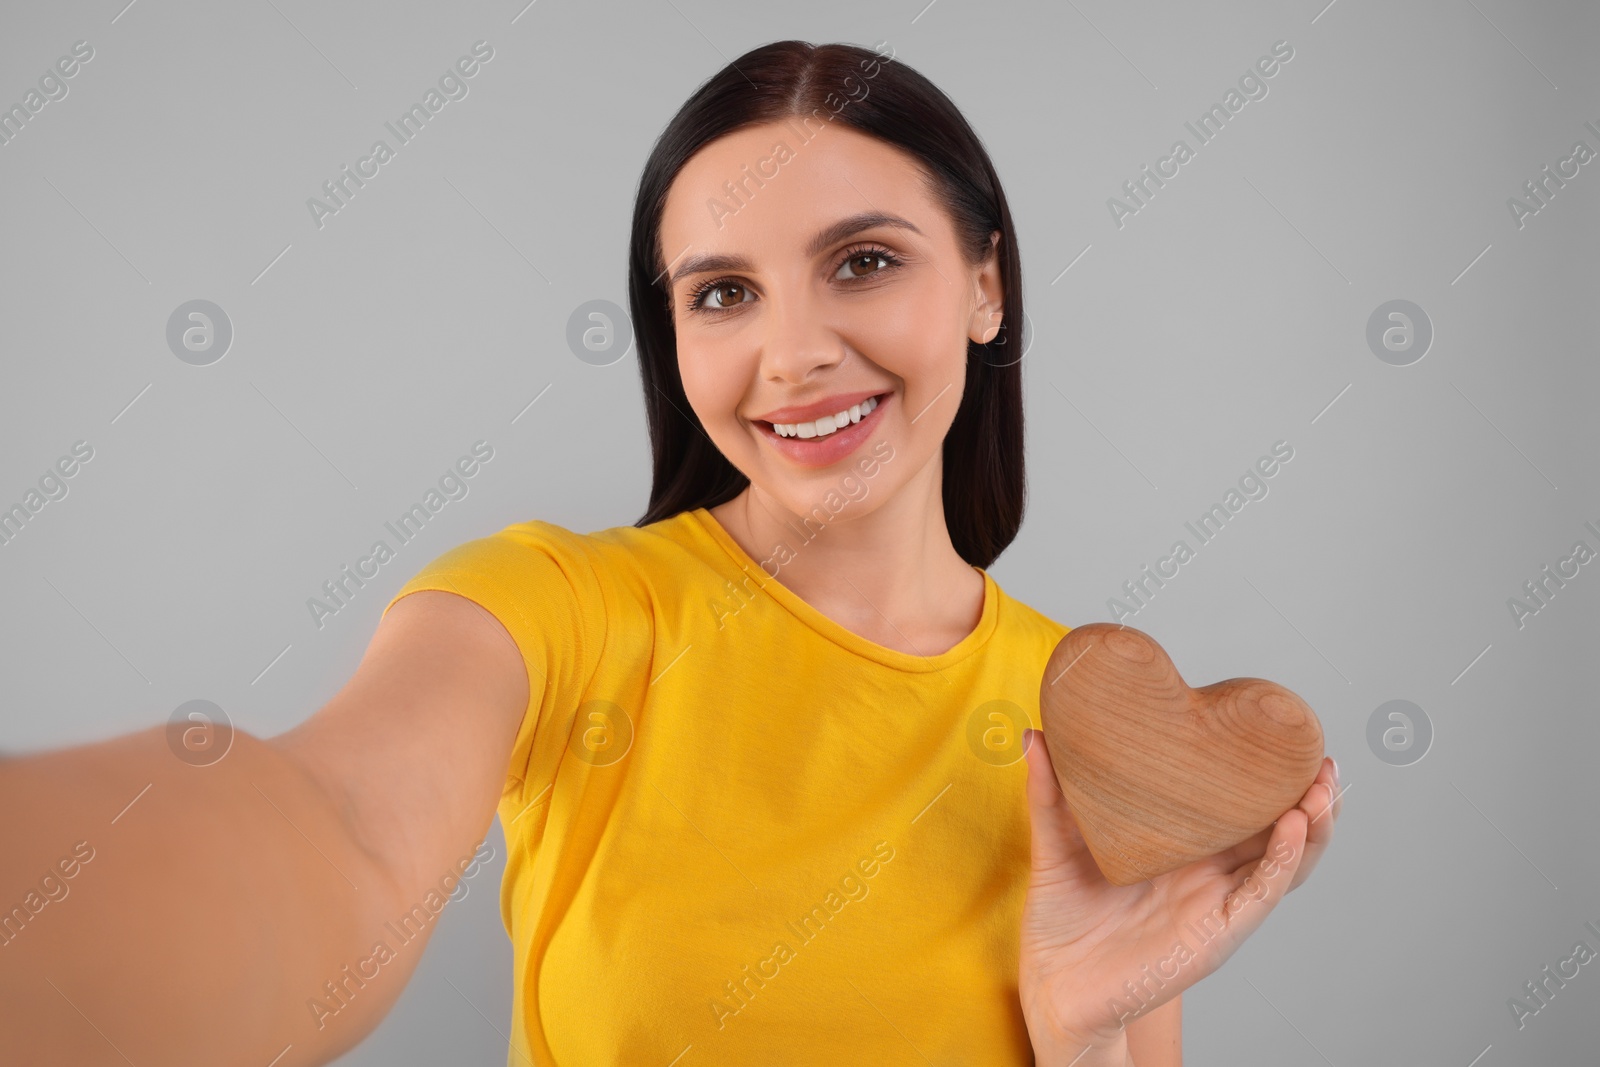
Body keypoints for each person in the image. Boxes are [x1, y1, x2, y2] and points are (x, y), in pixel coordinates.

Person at [0, 39, 1340, 1067]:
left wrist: (1090, 1032)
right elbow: (338, 831)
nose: (794, 351)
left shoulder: (1098, 723)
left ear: (987, 282)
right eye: (723, 294)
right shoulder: (562, 607)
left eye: (864, 262)